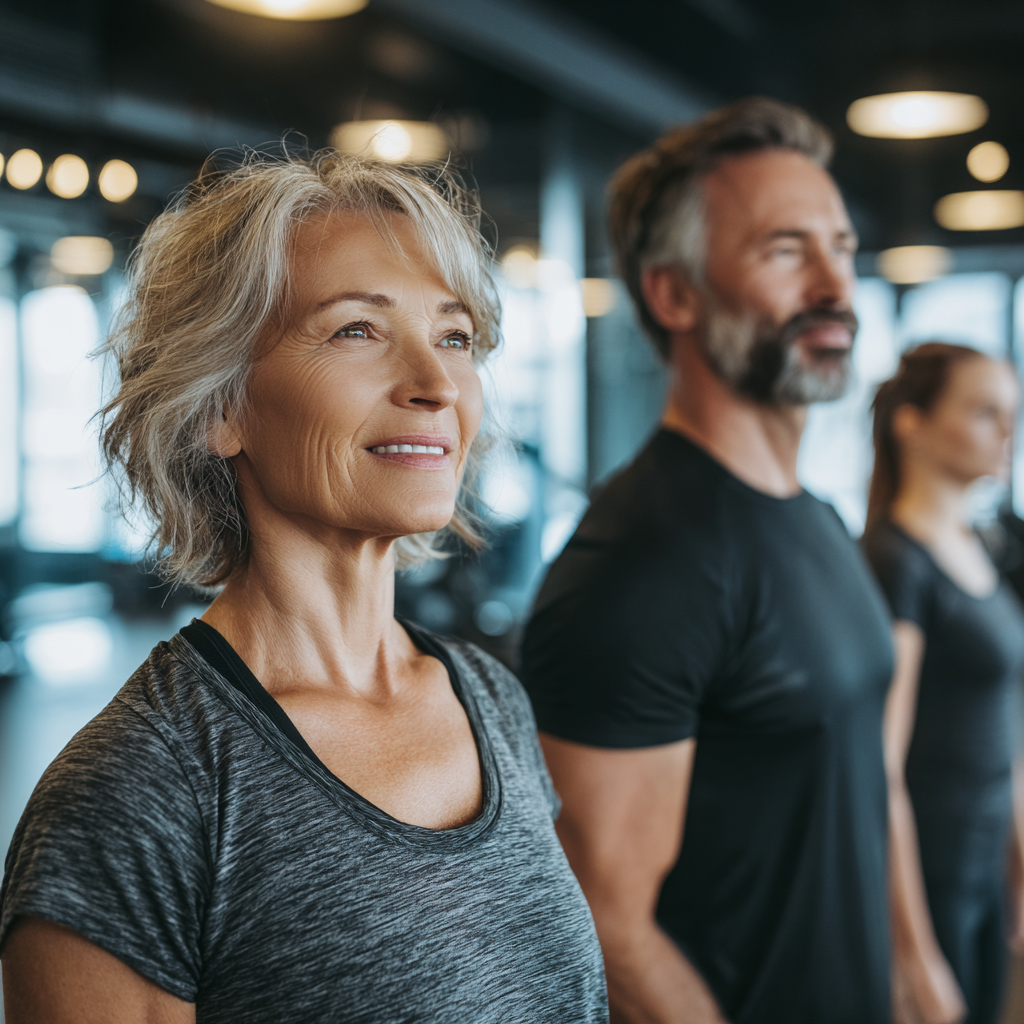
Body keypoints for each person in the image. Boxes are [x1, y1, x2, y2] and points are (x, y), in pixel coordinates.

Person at [0, 153, 608, 1024]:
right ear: (221, 405)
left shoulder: (487, 697)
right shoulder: (136, 792)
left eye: (455, 337)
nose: (436, 386)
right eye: (357, 329)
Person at [521, 97, 894, 1023]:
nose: (832, 285)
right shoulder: (645, 562)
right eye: (784, 250)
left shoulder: (813, 515)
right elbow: (604, 924)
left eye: (840, 247)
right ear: (673, 293)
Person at [862, 343, 1024, 1024]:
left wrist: (1018, 859)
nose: (1007, 432)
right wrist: (912, 949)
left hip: (985, 867)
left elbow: (1004, 727)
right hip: (932, 876)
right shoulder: (898, 562)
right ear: (913, 423)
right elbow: (881, 769)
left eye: (1012, 414)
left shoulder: (981, 547)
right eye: (985, 412)